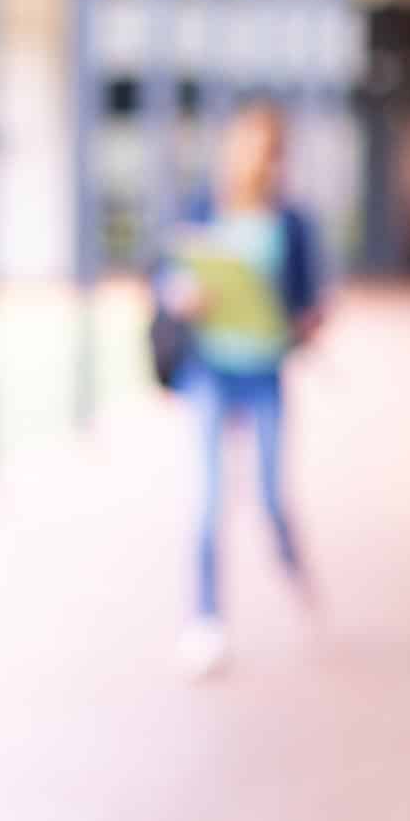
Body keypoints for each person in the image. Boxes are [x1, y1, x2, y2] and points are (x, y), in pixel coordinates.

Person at [158, 100, 326, 680]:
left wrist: (302, 323)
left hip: (264, 371)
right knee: (206, 501)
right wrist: (181, 294)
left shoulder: (293, 222)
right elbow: (168, 272)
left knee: (272, 497)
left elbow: (311, 302)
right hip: (210, 367)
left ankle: (292, 564)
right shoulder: (204, 208)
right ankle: (205, 617)